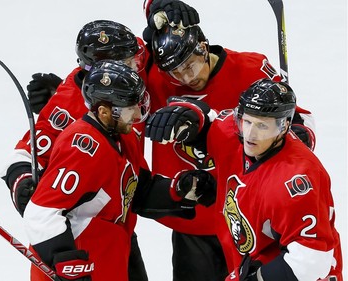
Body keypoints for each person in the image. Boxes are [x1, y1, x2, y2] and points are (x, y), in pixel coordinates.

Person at [23, 59, 216, 281]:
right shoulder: (83, 148)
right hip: (83, 264)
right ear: (104, 112)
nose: (136, 116)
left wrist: (178, 190)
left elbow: (136, 189)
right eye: (129, 109)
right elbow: (42, 212)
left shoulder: (123, 136)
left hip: (110, 254)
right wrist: (66, 261)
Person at [145, 78, 343, 281]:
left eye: (262, 126)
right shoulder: (236, 134)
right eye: (246, 121)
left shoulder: (295, 179)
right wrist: (191, 118)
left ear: (284, 127)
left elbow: (312, 260)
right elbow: (212, 123)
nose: (250, 134)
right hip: (249, 260)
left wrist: (258, 277)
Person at [1, 19, 150, 281]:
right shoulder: (68, 106)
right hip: (88, 234)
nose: (136, 67)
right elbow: (24, 156)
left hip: (120, 218)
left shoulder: (121, 83)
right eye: (127, 63)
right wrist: (23, 185)